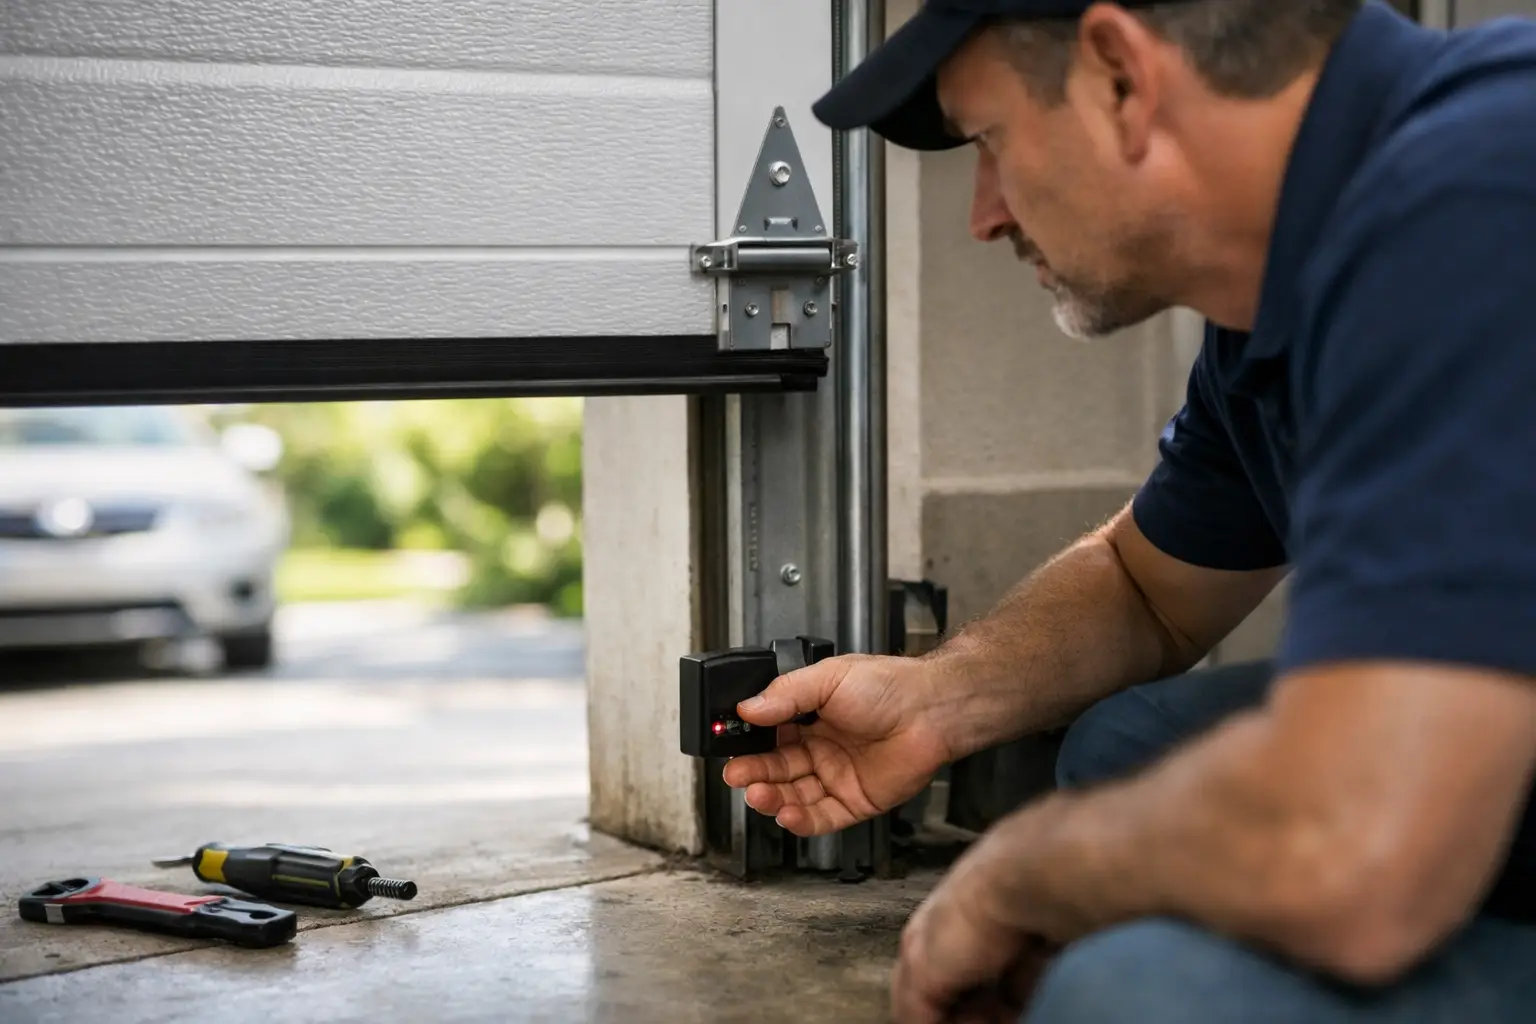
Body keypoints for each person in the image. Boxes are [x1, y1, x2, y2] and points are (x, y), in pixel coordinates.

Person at [720, 1, 1536, 1021]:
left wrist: (1019, 869)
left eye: (990, 142)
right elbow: (1149, 590)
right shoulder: (1278, 297)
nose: (984, 214)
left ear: (1120, 78)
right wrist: (933, 700)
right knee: (1126, 751)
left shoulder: (1476, 198)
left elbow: (1351, 842)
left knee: (1129, 992)